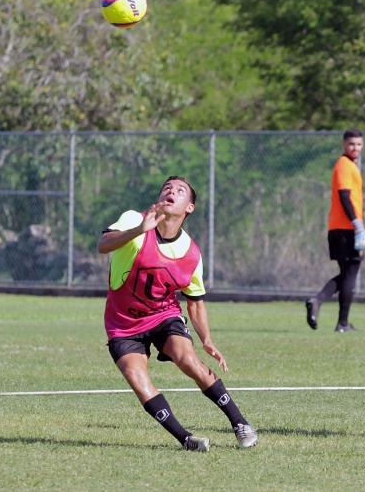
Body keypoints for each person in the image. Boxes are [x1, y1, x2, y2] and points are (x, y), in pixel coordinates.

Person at [97, 176, 258, 451]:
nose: (172, 191)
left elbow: (195, 301)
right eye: (167, 188)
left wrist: (206, 340)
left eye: (180, 190)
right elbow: (103, 244)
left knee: (189, 361)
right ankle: (186, 439)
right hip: (123, 323)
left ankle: (240, 423)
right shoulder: (135, 219)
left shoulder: (191, 254)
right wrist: (138, 229)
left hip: (163, 316)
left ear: (189, 208)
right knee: (137, 378)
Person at [306, 129, 365, 333]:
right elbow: (344, 196)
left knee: (346, 274)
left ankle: (321, 304)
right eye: (352, 144)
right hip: (346, 228)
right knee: (350, 273)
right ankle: (340, 322)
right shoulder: (344, 165)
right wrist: (357, 223)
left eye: (359, 144)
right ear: (343, 144)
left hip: (341, 227)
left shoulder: (350, 165)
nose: (355, 148)